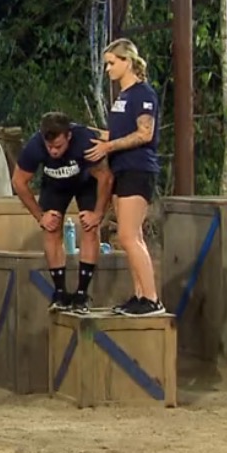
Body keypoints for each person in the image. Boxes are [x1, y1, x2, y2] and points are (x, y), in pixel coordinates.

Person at [84, 38, 167, 317]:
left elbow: (144, 133)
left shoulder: (143, 94)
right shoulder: (122, 97)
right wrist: (90, 134)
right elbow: (117, 134)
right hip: (121, 168)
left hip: (138, 168)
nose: (107, 69)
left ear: (127, 62)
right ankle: (140, 295)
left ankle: (152, 299)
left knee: (128, 235)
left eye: (111, 63)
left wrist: (108, 147)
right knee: (132, 236)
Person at [12, 111, 114, 313]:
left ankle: (82, 294)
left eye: (58, 146)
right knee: (51, 228)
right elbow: (18, 182)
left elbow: (106, 178)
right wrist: (40, 216)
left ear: (68, 136)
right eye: (49, 146)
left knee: (90, 228)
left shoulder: (84, 140)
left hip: (86, 182)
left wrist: (97, 214)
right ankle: (59, 293)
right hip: (55, 183)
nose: (53, 151)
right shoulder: (35, 146)